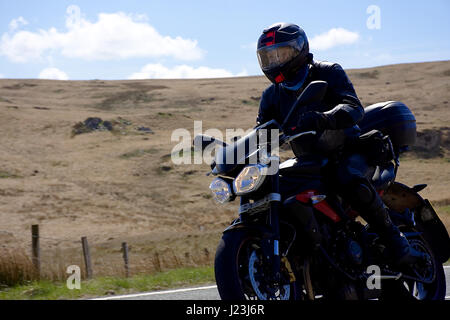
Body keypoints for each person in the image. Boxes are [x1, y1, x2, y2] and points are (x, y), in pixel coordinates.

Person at [256, 22, 425, 266]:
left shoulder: (327, 71)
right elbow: (262, 132)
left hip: (348, 150)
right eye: (268, 57)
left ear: (298, 51)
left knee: (346, 175)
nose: (274, 61)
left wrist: (324, 118)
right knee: (280, 187)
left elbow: (353, 107)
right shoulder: (271, 95)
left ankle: (396, 241)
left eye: (280, 54)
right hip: (310, 160)